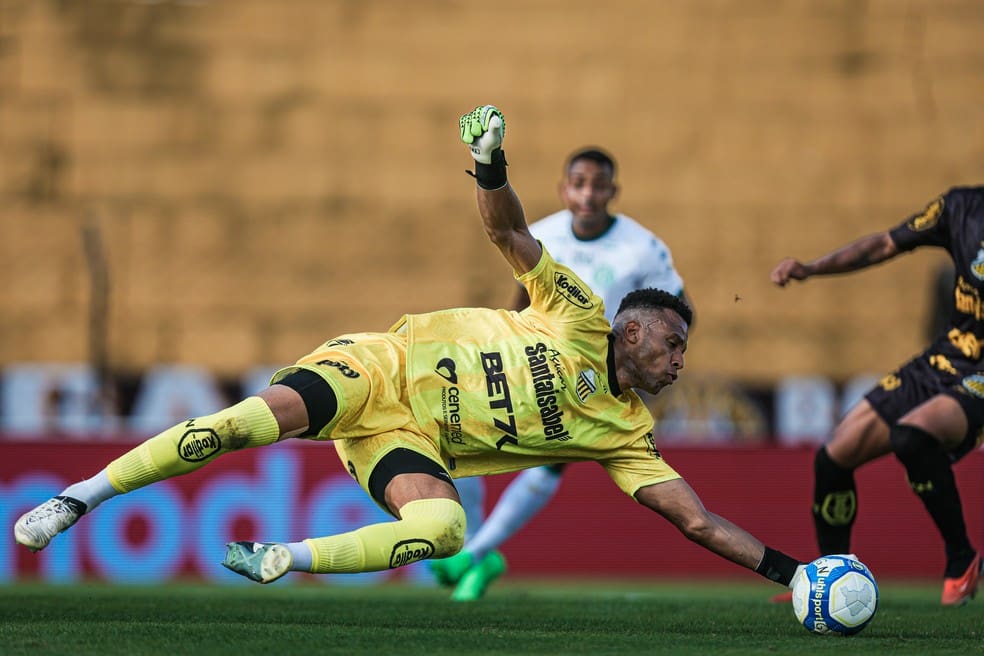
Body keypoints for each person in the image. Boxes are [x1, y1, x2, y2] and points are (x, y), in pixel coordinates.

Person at [15, 105, 803, 597]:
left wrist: (794, 574)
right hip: (376, 368)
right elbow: (507, 232)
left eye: (682, 351)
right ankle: (79, 496)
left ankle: (284, 556)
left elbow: (695, 522)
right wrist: (491, 165)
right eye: (672, 344)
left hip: (408, 440)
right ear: (631, 333)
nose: (679, 363)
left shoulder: (626, 435)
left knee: (446, 530)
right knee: (240, 427)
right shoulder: (577, 310)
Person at [429, 146, 693, 600]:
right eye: (579, 183)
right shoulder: (545, 232)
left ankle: (474, 554)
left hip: (597, 377)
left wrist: (655, 368)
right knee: (466, 434)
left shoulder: (643, 247)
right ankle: (477, 552)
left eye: (598, 185)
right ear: (564, 188)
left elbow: (678, 316)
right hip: (535, 362)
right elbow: (523, 293)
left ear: (614, 191)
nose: (588, 194)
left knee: (553, 460)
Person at [770, 187, 984, 606]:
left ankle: (961, 558)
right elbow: (885, 243)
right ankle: (830, 582)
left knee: (911, 436)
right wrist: (812, 269)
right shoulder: (962, 207)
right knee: (833, 457)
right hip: (949, 355)